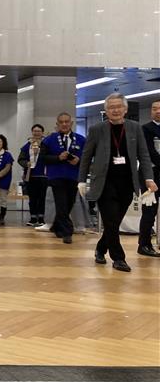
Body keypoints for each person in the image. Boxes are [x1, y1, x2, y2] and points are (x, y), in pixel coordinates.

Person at [78, 93, 157, 272]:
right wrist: (81, 180)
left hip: (127, 182)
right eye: (111, 107)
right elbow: (86, 156)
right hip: (104, 183)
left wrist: (149, 178)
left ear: (125, 109)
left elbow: (144, 155)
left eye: (119, 106)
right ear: (106, 111)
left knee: (114, 221)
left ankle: (100, 248)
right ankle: (118, 258)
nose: (115, 110)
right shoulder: (97, 129)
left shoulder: (135, 128)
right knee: (111, 221)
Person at [40, 112, 86, 244]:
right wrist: (58, 158)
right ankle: (67, 232)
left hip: (73, 176)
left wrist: (78, 160)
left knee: (69, 203)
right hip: (56, 176)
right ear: (57, 124)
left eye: (67, 122)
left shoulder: (81, 139)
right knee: (61, 203)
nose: (64, 124)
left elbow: (88, 158)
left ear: (71, 123)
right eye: (61, 122)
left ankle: (56, 225)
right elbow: (43, 158)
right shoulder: (49, 140)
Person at [138, 100, 160, 257]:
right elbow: (149, 153)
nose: (158, 111)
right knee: (149, 212)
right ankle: (144, 244)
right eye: (154, 109)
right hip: (150, 176)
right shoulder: (145, 129)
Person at [18, 124, 48, 227]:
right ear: (32, 132)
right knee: (32, 198)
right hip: (31, 175)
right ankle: (33, 218)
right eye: (35, 131)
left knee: (42, 198)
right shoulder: (27, 145)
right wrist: (26, 163)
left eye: (39, 131)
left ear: (42, 133)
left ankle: (41, 218)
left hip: (44, 175)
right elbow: (20, 159)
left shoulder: (46, 144)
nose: (36, 133)